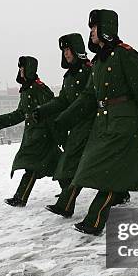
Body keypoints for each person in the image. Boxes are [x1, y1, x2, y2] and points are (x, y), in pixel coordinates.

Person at [53, 9, 138, 235]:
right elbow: (88, 97)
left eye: (94, 27)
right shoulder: (98, 62)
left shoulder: (125, 55)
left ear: (106, 28)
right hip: (104, 122)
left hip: (124, 122)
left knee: (112, 171)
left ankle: (94, 220)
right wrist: (63, 120)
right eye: (90, 28)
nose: (91, 32)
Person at [34, 33, 93, 217]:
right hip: (77, 125)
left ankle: (65, 204)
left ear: (77, 50)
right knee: (77, 164)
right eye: (64, 50)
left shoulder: (90, 70)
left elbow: (87, 99)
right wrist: (42, 110)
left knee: (78, 165)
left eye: (69, 49)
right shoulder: (68, 76)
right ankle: (119, 193)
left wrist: (65, 118)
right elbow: (63, 100)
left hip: (92, 124)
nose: (66, 53)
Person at [0, 56, 58, 207]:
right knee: (56, 164)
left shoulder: (40, 88)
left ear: (30, 69)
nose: (20, 71)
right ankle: (69, 190)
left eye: (23, 68)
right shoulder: (26, 89)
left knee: (32, 165)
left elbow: (53, 108)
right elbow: (20, 113)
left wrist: (55, 133)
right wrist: (0, 122)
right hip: (33, 133)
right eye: (19, 68)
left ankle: (20, 198)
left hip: (42, 134)